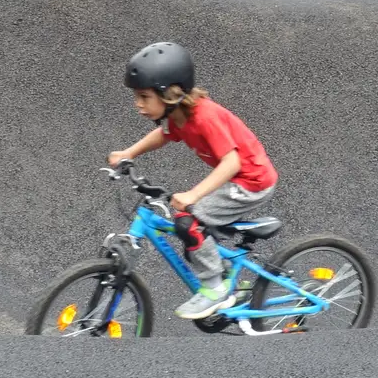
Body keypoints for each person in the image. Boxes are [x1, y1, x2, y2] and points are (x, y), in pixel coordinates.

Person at [108, 41, 279, 319]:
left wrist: (194, 195)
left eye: (143, 96)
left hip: (251, 182)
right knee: (191, 231)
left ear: (170, 93)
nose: (138, 104)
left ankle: (215, 289)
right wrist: (128, 153)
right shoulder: (179, 115)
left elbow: (232, 162)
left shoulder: (204, 117)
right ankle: (224, 275)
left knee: (188, 222)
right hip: (237, 179)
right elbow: (164, 135)